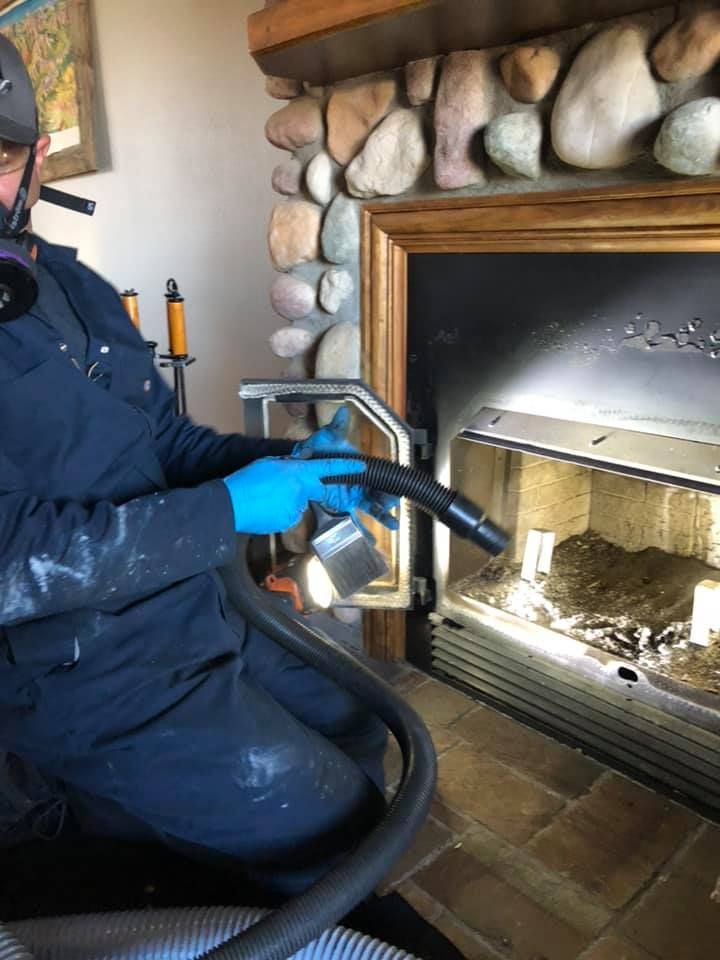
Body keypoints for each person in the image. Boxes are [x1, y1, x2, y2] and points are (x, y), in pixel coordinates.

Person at [0, 33, 398, 895]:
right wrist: (226, 513)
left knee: (363, 723)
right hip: (80, 669)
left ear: (35, 160)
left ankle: (189, 858)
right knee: (338, 832)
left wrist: (288, 463)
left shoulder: (78, 289)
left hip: (194, 602)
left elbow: (167, 443)